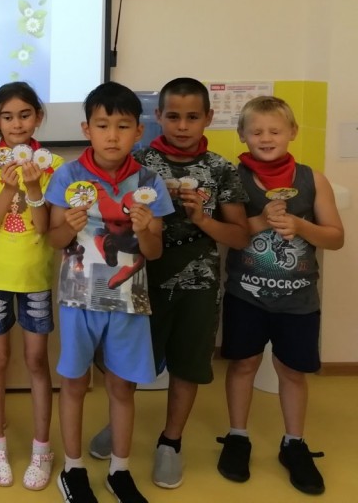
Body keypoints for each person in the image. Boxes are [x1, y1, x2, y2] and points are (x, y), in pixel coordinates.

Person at [87, 78, 250, 489]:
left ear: (208, 117)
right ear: (157, 116)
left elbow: (239, 236)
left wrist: (201, 219)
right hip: (141, 277)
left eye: (192, 117)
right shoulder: (137, 163)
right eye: (173, 116)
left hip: (198, 281)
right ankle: (119, 423)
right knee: (124, 360)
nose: (182, 126)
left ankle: (170, 442)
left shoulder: (221, 169)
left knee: (187, 363)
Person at [44, 82, 174, 503]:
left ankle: (120, 469)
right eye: (102, 125)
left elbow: (154, 251)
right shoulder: (67, 176)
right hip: (78, 299)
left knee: (122, 388)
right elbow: (54, 240)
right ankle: (73, 467)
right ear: (87, 129)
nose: (112, 135)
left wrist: (144, 229)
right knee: (74, 384)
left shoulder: (149, 182)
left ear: (139, 131)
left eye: (122, 126)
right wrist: (69, 226)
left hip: (129, 302)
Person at [217, 96, 343, 495]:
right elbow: (230, 234)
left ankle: (294, 443)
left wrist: (300, 226)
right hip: (245, 296)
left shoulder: (313, 179)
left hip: (299, 301)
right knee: (243, 365)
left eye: (275, 130)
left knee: (292, 371)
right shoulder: (232, 179)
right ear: (242, 135)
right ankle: (238, 436)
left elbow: (335, 238)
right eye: (256, 131)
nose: (266, 137)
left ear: (292, 133)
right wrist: (261, 221)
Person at [0, 82, 64, 489]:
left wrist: (35, 186)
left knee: (37, 361)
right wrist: (10, 186)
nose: (17, 124)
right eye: (7, 117)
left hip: (34, 276)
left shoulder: (54, 164)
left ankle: (42, 448)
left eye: (25, 115)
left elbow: (43, 228)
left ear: (38, 117)